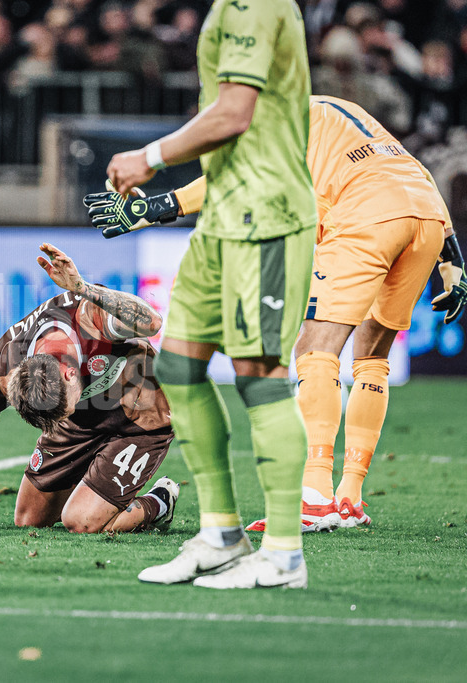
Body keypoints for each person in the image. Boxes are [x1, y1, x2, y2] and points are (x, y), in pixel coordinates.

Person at [86, 94, 467, 534]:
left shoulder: (271, 117)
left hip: (366, 212)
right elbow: (409, 170)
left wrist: (155, 207)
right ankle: (349, 495)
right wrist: (451, 263)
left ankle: (313, 494)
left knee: (315, 348)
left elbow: (238, 180)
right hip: (426, 215)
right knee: (372, 354)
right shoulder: (333, 110)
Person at [103, 0, 316, 590]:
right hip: (221, 219)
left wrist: (150, 157)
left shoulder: (255, 4)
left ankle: (283, 554)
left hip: (267, 220)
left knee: (259, 376)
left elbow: (235, 112)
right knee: (178, 366)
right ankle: (221, 536)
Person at [0, 243, 180, 535]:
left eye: (65, 410)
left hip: (140, 418)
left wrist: (82, 287)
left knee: (81, 521)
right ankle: (96, 486)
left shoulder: (89, 319)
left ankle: (159, 502)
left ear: (71, 374)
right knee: (30, 518)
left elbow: (153, 322)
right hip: (82, 423)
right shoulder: (4, 367)